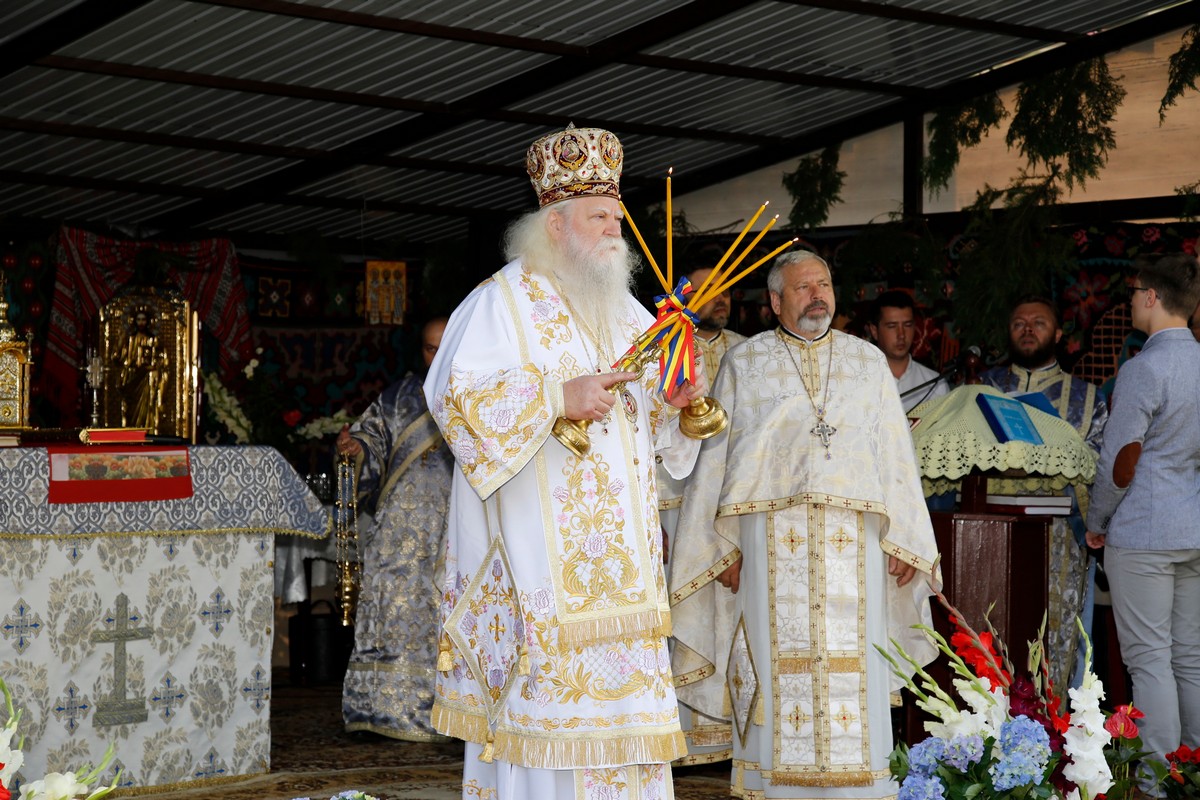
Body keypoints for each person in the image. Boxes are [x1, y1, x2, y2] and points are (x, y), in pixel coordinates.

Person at [424, 125, 706, 800]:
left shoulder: (630, 311)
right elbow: (453, 397)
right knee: (544, 737)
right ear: (555, 223)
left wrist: (677, 399)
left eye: (617, 215)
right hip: (539, 578)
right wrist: (557, 397)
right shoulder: (501, 301)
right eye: (600, 217)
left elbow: (659, 439)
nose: (617, 230)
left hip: (626, 586)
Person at [669, 250, 939, 800]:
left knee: (855, 651)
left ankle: (859, 786)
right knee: (773, 654)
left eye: (824, 284)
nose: (817, 294)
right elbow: (719, 461)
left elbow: (895, 455)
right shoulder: (746, 364)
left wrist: (906, 541)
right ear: (774, 302)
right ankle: (779, 786)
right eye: (802, 288)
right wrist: (724, 548)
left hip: (855, 540)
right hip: (769, 541)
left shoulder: (867, 363)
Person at [1086, 252, 1200, 779]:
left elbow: (1120, 462)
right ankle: (1193, 771)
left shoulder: (1142, 367)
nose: (1130, 300)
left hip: (1144, 532)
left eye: (1134, 292)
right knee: (1191, 658)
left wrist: (1097, 520)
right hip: (1193, 528)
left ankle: (1158, 785)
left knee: (1150, 659)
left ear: (1151, 297)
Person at [978, 295, 1108, 690]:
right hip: (992, 538)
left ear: (1057, 333)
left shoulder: (1087, 398)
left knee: (1061, 643)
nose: (1028, 329)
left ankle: (1061, 738)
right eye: (1019, 322)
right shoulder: (983, 389)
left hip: (1060, 542)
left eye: (1038, 322)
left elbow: (1100, 470)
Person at [336, 317, 452, 741]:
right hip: (398, 536)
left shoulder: (480, 395)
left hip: (454, 530)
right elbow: (372, 440)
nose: (436, 357)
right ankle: (383, 710)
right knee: (394, 615)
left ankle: (452, 714)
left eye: (444, 346)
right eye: (429, 349)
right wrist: (356, 451)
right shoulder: (400, 397)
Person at [657, 265, 746, 766]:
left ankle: (721, 739)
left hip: (727, 503)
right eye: (708, 290)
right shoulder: (664, 345)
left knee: (725, 616)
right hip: (673, 503)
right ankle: (674, 740)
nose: (720, 299)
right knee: (677, 616)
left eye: (727, 291)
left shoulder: (746, 350)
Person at [865, 289, 949, 413]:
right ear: (874, 331)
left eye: (907, 325)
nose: (901, 335)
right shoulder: (859, 383)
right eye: (892, 326)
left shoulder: (935, 384)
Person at [116, 307, 167, 432]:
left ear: (148, 321)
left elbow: (163, 360)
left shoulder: (154, 340)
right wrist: (121, 341)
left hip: (147, 378)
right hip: (133, 377)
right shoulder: (129, 339)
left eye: (143, 320)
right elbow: (118, 359)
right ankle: (131, 431)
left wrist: (154, 365)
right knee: (132, 407)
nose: (141, 323)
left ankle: (148, 431)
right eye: (138, 320)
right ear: (134, 321)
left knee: (148, 404)